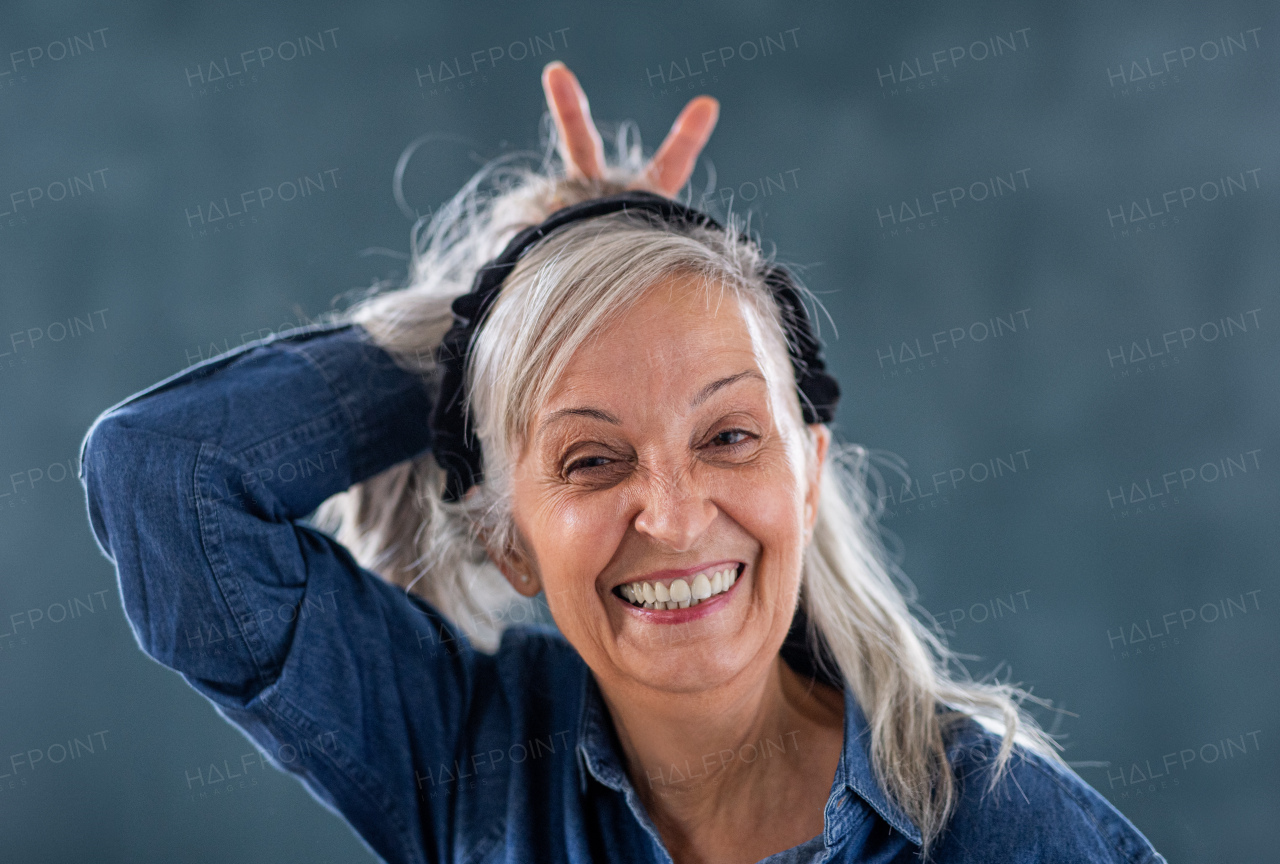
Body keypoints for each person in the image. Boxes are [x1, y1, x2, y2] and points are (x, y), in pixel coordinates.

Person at [79, 62, 1165, 864]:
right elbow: (163, 477)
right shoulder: (473, 763)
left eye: (728, 437)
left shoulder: (989, 822)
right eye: (591, 460)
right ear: (506, 537)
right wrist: (511, 303)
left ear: (805, 470)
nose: (673, 514)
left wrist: (565, 308)